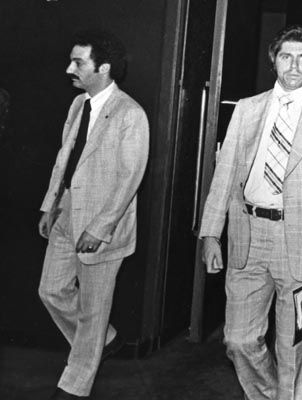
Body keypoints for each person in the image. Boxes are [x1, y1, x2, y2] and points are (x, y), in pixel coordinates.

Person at [199, 25, 302, 400]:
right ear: (274, 60)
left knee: (296, 353)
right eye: (286, 56)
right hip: (248, 237)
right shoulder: (247, 109)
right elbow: (225, 175)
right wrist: (210, 233)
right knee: (237, 340)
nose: (294, 65)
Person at [37, 30, 149, 399]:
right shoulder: (77, 105)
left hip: (104, 223)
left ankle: (74, 386)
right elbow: (63, 159)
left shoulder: (130, 114)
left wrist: (101, 227)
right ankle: (105, 339)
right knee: (51, 290)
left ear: (104, 67)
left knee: (93, 308)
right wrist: (50, 204)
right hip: (67, 212)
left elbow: (129, 180)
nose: (70, 68)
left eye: (78, 62)